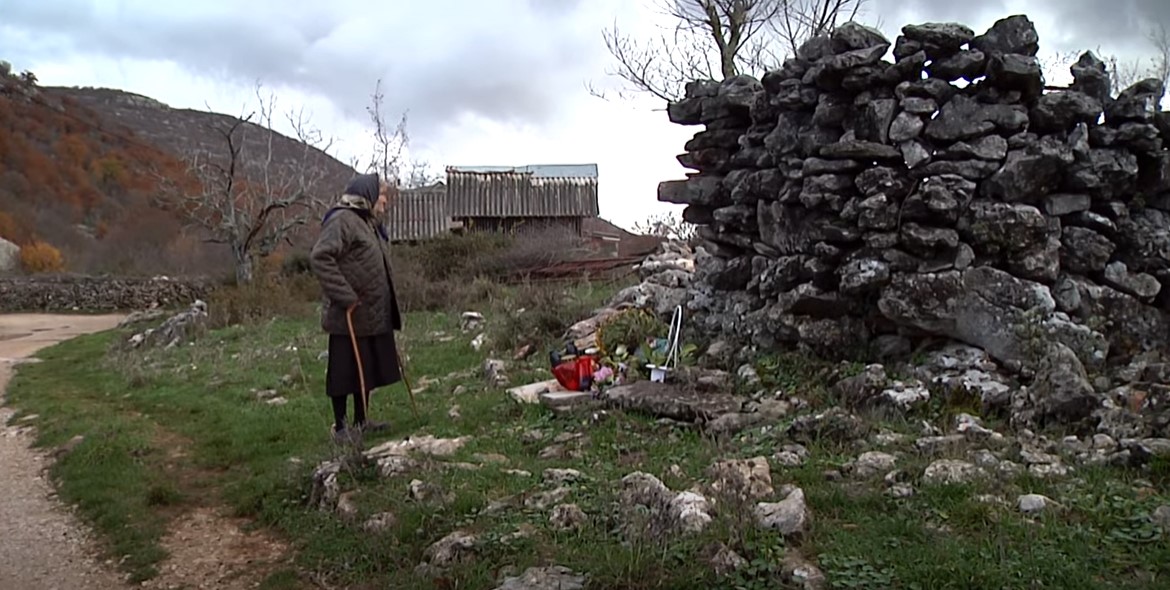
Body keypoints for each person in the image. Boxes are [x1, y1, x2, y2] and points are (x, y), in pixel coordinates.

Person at [309, 172, 403, 442]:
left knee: (367, 367)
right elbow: (321, 257)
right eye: (382, 196)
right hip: (348, 312)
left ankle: (362, 422)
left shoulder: (367, 222)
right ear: (369, 196)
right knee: (343, 371)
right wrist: (346, 296)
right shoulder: (342, 220)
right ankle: (340, 428)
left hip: (371, 313)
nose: (384, 201)